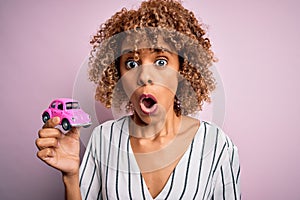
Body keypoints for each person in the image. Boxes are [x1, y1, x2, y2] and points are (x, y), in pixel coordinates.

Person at [36, 0, 241, 199]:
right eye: (132, 64)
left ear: (184, 70)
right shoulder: (103, 138)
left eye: (161, 61)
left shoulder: (217, 146)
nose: (144, 76)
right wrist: (71, 177)